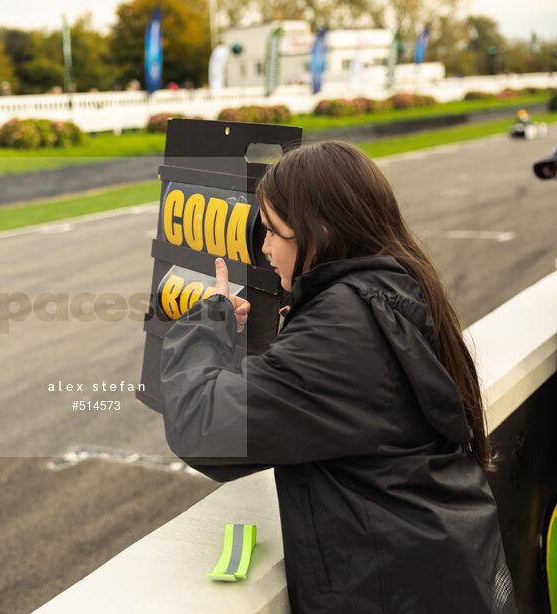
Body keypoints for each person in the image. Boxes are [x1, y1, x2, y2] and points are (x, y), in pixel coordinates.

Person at [159, 141, 517, 613]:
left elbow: (205, 428)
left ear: (321, 231)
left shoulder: (347, 329)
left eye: (272, 233)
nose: (264, 249)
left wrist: (206, 324)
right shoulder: (391, 285)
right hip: (436, 574)